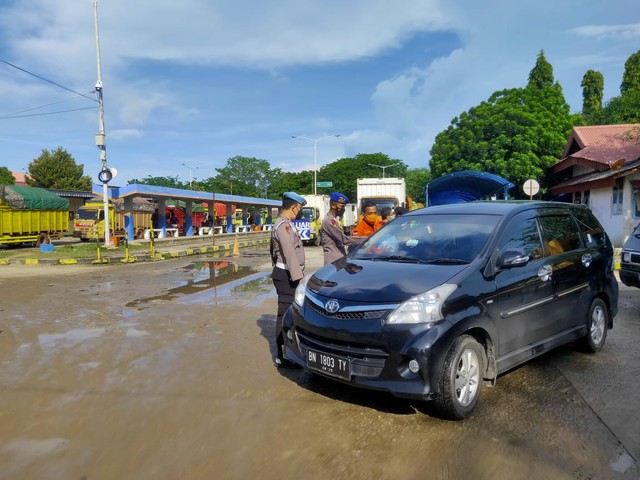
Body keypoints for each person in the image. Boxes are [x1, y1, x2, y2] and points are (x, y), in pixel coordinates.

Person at [270, 191, 307, 368]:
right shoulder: (283, 226)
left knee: (290, 315)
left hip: (287, 273)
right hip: (287, 276)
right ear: (293, 207)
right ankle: (281, 355)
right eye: (299, 209)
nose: (298, 212)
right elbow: (289, 253)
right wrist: (299, 278)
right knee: (284, 315)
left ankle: (289, 351)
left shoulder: (286, 224)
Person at [320, 191, 364, 265]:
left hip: (338, 260)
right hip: (333, 261)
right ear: (333, 206)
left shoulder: (333, 220)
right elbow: (344, 239)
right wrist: (367, 239)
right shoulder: (328, 221)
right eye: (342, 206)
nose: (344, 210)